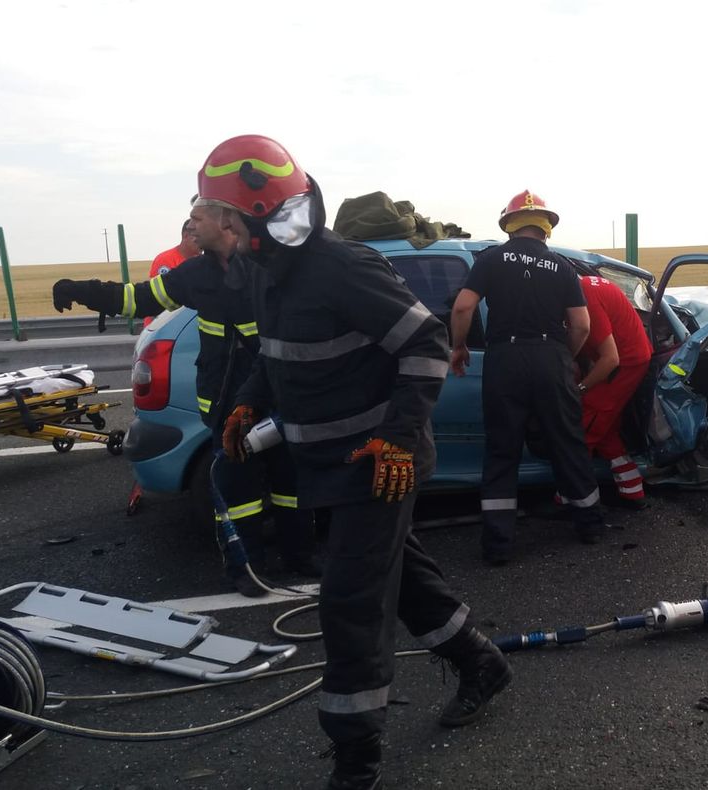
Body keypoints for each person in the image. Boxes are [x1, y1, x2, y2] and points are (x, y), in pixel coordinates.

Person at [199, 134, 510, 790]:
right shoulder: (263, 271)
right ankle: (482, 663)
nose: (209, 227)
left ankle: (355, 758)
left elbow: (425, 345)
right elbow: (275, 355)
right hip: (328, 466)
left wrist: (396, 438)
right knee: (407, 580)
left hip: (379, 463)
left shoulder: (340, 266)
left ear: (247, 219)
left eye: (215, 216)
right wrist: (248, 404)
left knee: (350, 602)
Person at [51, 202, 320, 597]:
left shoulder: (269, 269)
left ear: (226, 222)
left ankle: (300, 556)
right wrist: (83, 290)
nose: (189, 227)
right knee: (237, 494)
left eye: (197, 219)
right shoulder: (195, 274)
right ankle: (247, 567)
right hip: (227, 407)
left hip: (279, 402)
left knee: (292, 485)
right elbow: (139, 299)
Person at [450, 190, 608, 564]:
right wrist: (560, 358)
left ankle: (498, 546)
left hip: (504, 357)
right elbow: (582, 326)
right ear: (545, 228)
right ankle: (590, 525)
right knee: (568, 443)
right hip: (550, 357)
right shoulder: (564, 268)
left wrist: (458, 347)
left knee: (503, 451)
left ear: (509, 225)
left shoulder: (490, 260)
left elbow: (462, 306)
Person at [573, 274, 653, 507]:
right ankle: (632, 489)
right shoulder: (585, 283)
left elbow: (610, 359)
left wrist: (580, 389)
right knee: (604, 427)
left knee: (585, 426)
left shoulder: (585, 298)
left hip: (623, 363)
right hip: (624, 357)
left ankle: (572, 498)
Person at [143, 219, 201, 326]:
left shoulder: (201, 262)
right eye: (197, 237)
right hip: (163, 324)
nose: (201, 242)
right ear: (185, 235)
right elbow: (158, 299)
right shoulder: (165, 260)